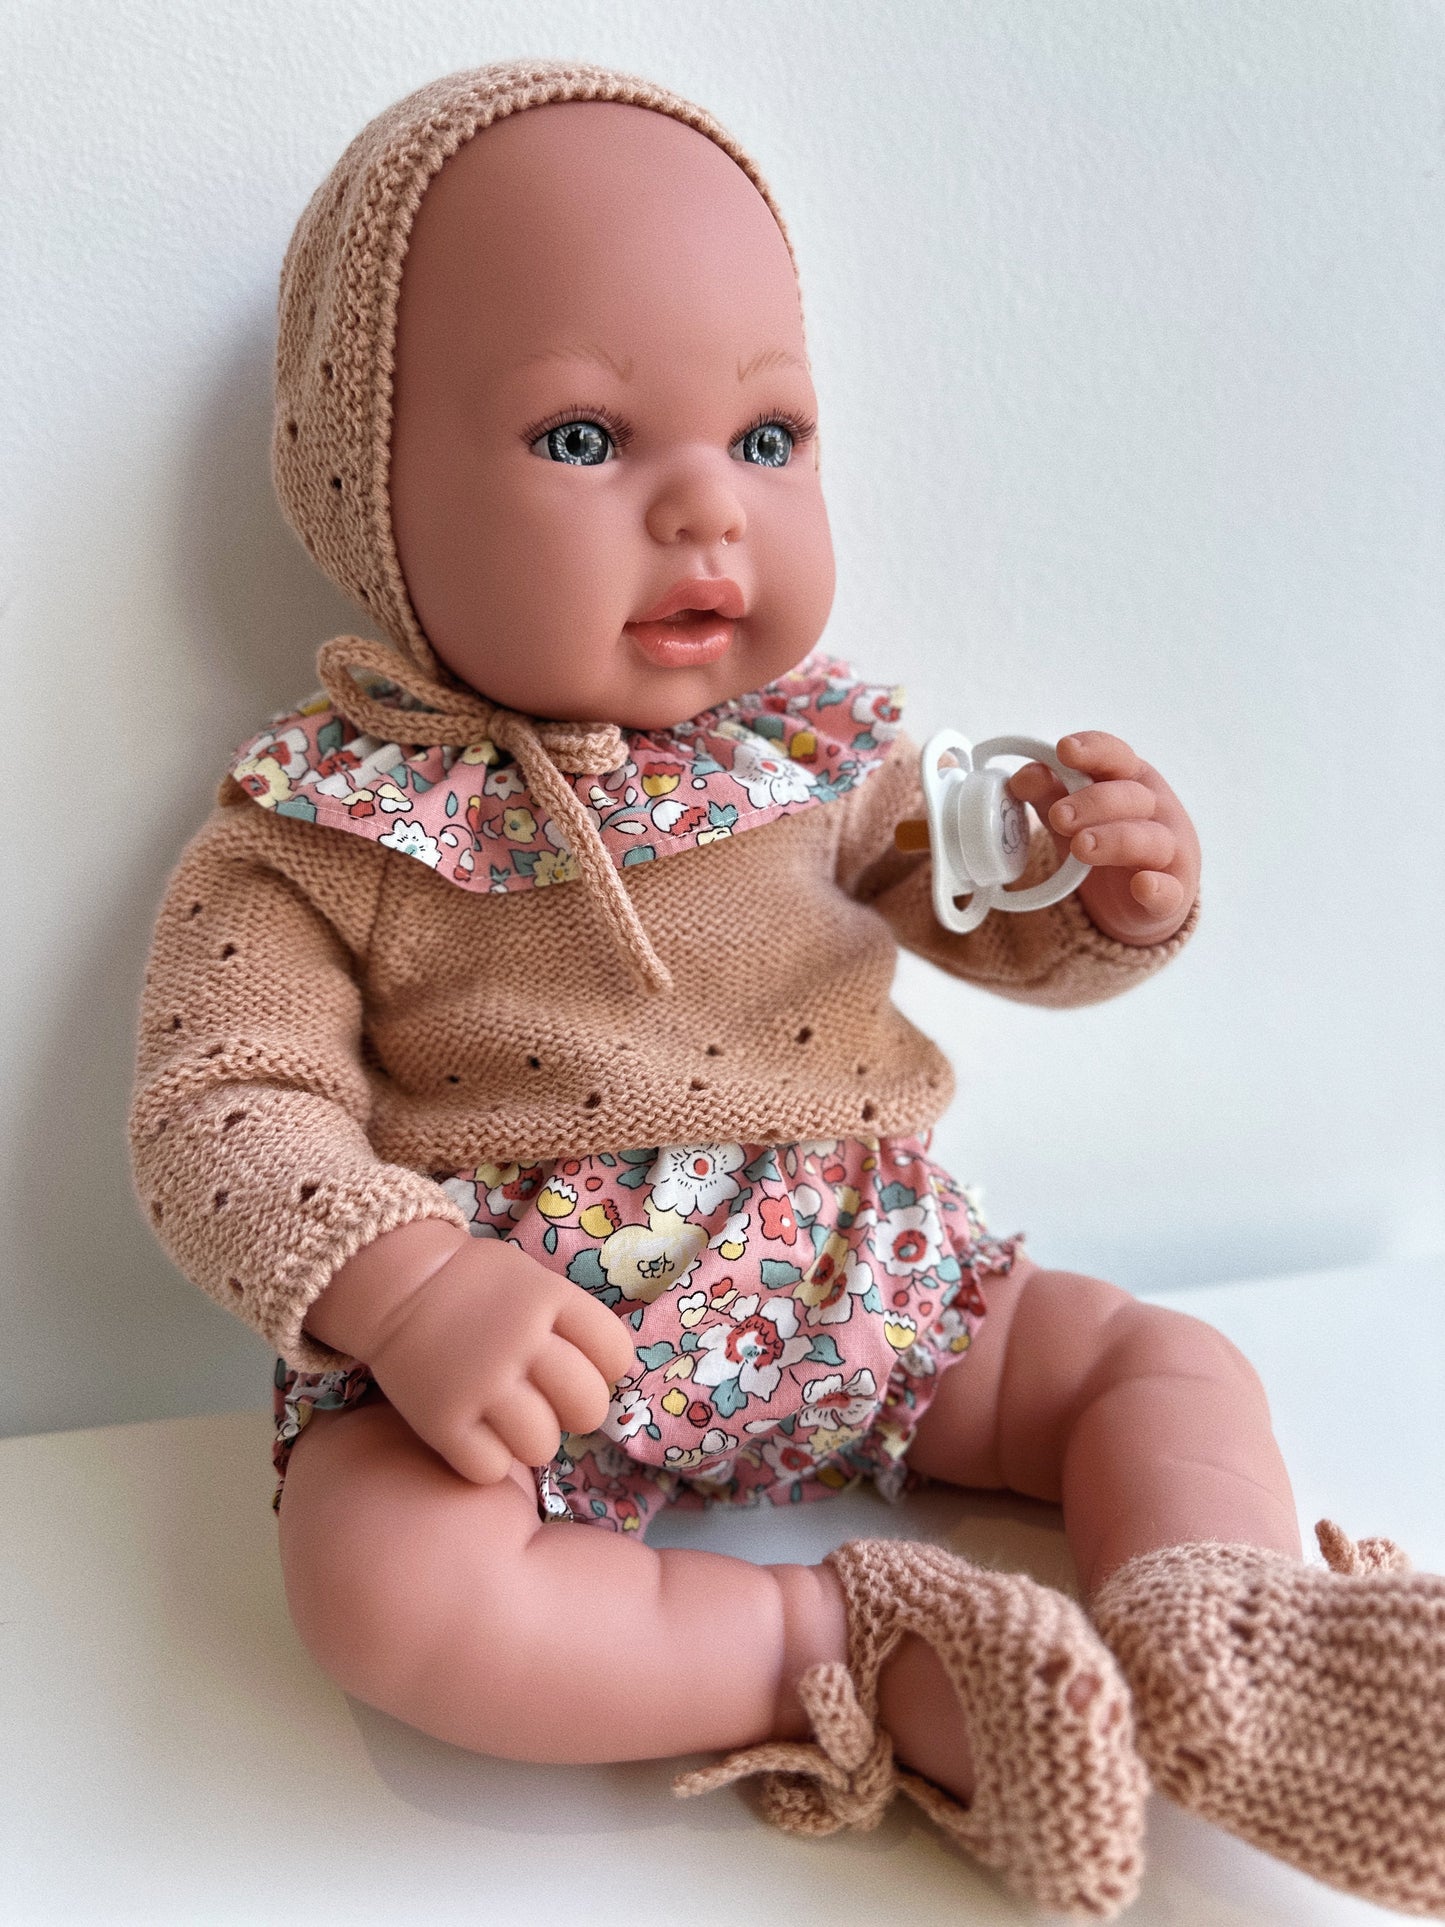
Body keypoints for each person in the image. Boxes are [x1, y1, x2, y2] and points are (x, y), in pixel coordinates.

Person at [129, 62, 1444, 1919]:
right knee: (384, 1590)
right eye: (582, 439)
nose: (707, 514)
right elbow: (219, 1110)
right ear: (368, 492)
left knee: (1156, 1362)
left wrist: (1091, 894)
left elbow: (976, 914)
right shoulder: (323, 827)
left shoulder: (812, 754)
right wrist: (402, 1285)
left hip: (860, 1269)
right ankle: (860, 1661)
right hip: (520, 1356)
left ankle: (1226, 1630)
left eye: (765, 437)